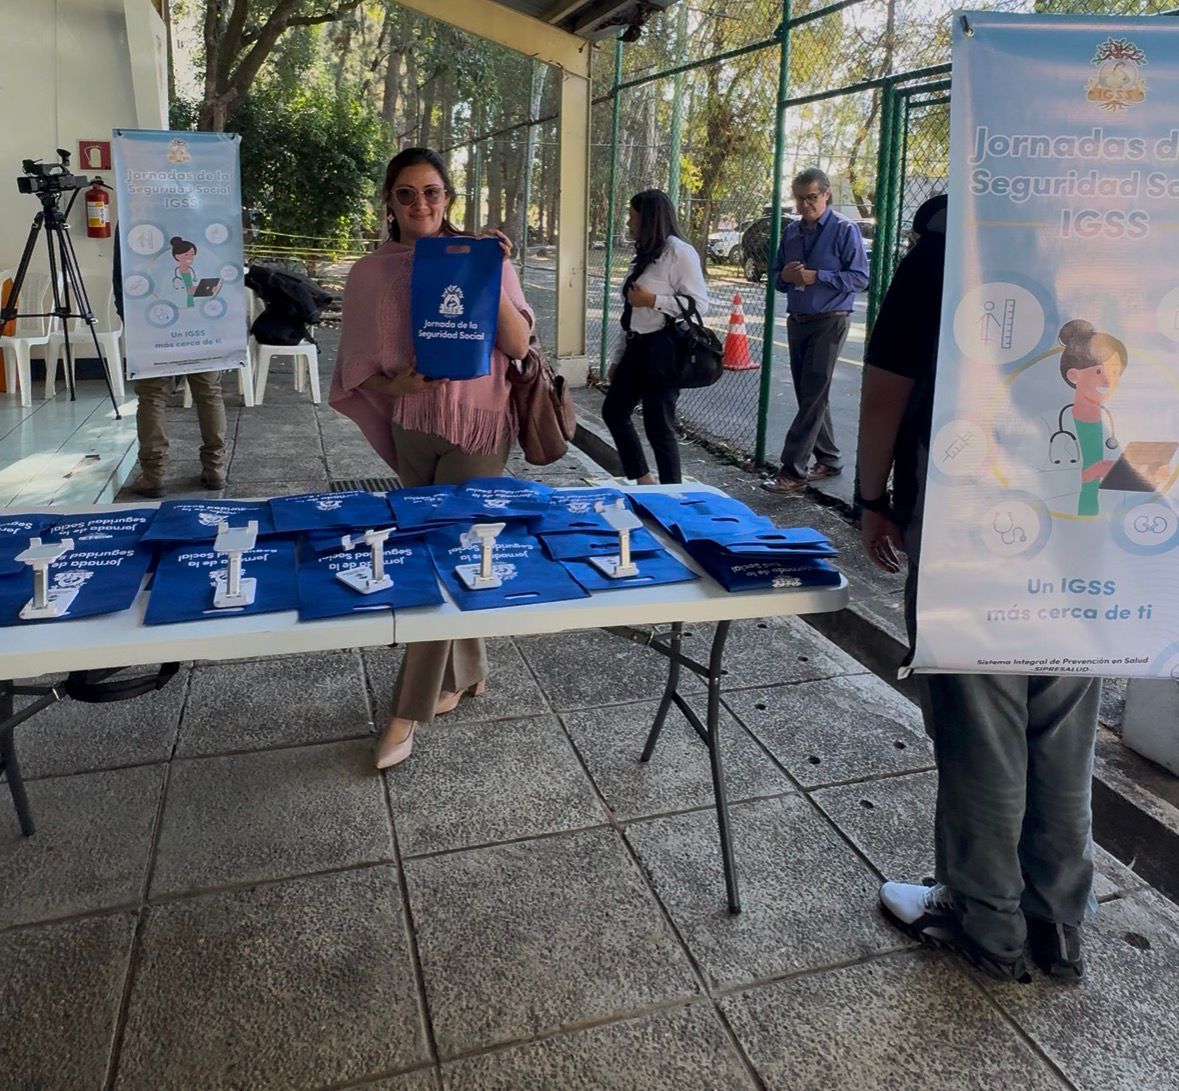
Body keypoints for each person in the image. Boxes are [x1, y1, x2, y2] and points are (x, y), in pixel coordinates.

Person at [856, 194, 1099, 984]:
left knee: (980, 724)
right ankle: (1056, 921)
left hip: (972, 509)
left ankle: (984, 917)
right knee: (1062, 728)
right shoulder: (1112, 231)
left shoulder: (952, 233)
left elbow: (887, 384)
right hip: (1090, 513)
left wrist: (870, 498)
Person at [329, 146, 532, 770]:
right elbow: (356, 366)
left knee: (437, 559)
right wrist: (395, 386)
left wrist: (488, 270)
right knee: (447, 552)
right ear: (388, 203)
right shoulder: (370, 273)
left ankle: (403, 714)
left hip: (478, 427)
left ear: (448, 197)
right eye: (406, 193)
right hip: (412, 428)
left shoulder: (482, 255)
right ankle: (465, 673)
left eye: (432, 192)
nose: (421, 204)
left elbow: (519, 343)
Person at [763, 168, 869, 495]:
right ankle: (829, 457)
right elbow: (777, 277)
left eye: (811, 197)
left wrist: (817, 276)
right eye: (799, 198)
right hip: (798, 319)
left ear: (826, 195)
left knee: (813, 394)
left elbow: (860, 278)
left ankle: (792, 470)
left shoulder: (844, 230)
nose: (805, 205)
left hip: (830, 319)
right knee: (809, 394)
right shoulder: (792, 232)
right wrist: (787, 277)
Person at [601, 189, 709, 486]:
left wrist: (654, 301)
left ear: (649, 219)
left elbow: (699, 304)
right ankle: (643, 480)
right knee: (614, 412)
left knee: (658, 425)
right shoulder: (646, 254)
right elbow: (631, 312)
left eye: (632, 216)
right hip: (636, 345)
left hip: (663, 348)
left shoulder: (679, 252)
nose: (628, 223)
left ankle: (671, 493)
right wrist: (618, 357)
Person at [113, 230, 227, 498]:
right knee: (209, 392)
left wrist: (130, 316)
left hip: (153, 321)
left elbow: (122, 276)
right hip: (202, 326)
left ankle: (154, 474)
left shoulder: (134, 215)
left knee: (152, 395)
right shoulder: (208, 210)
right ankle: (215, 468)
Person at [1056, 320, 1127, 516]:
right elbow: (1037, 474)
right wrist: (1087, 474)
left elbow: (1124, 489)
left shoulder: (1114, 424)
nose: (1108, 380)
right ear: (1073, 375)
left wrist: (1151, 477)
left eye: (1115, 372)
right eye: (1099, 371)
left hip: (1106, 521)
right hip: (1064, 521)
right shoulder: (1050, 424)